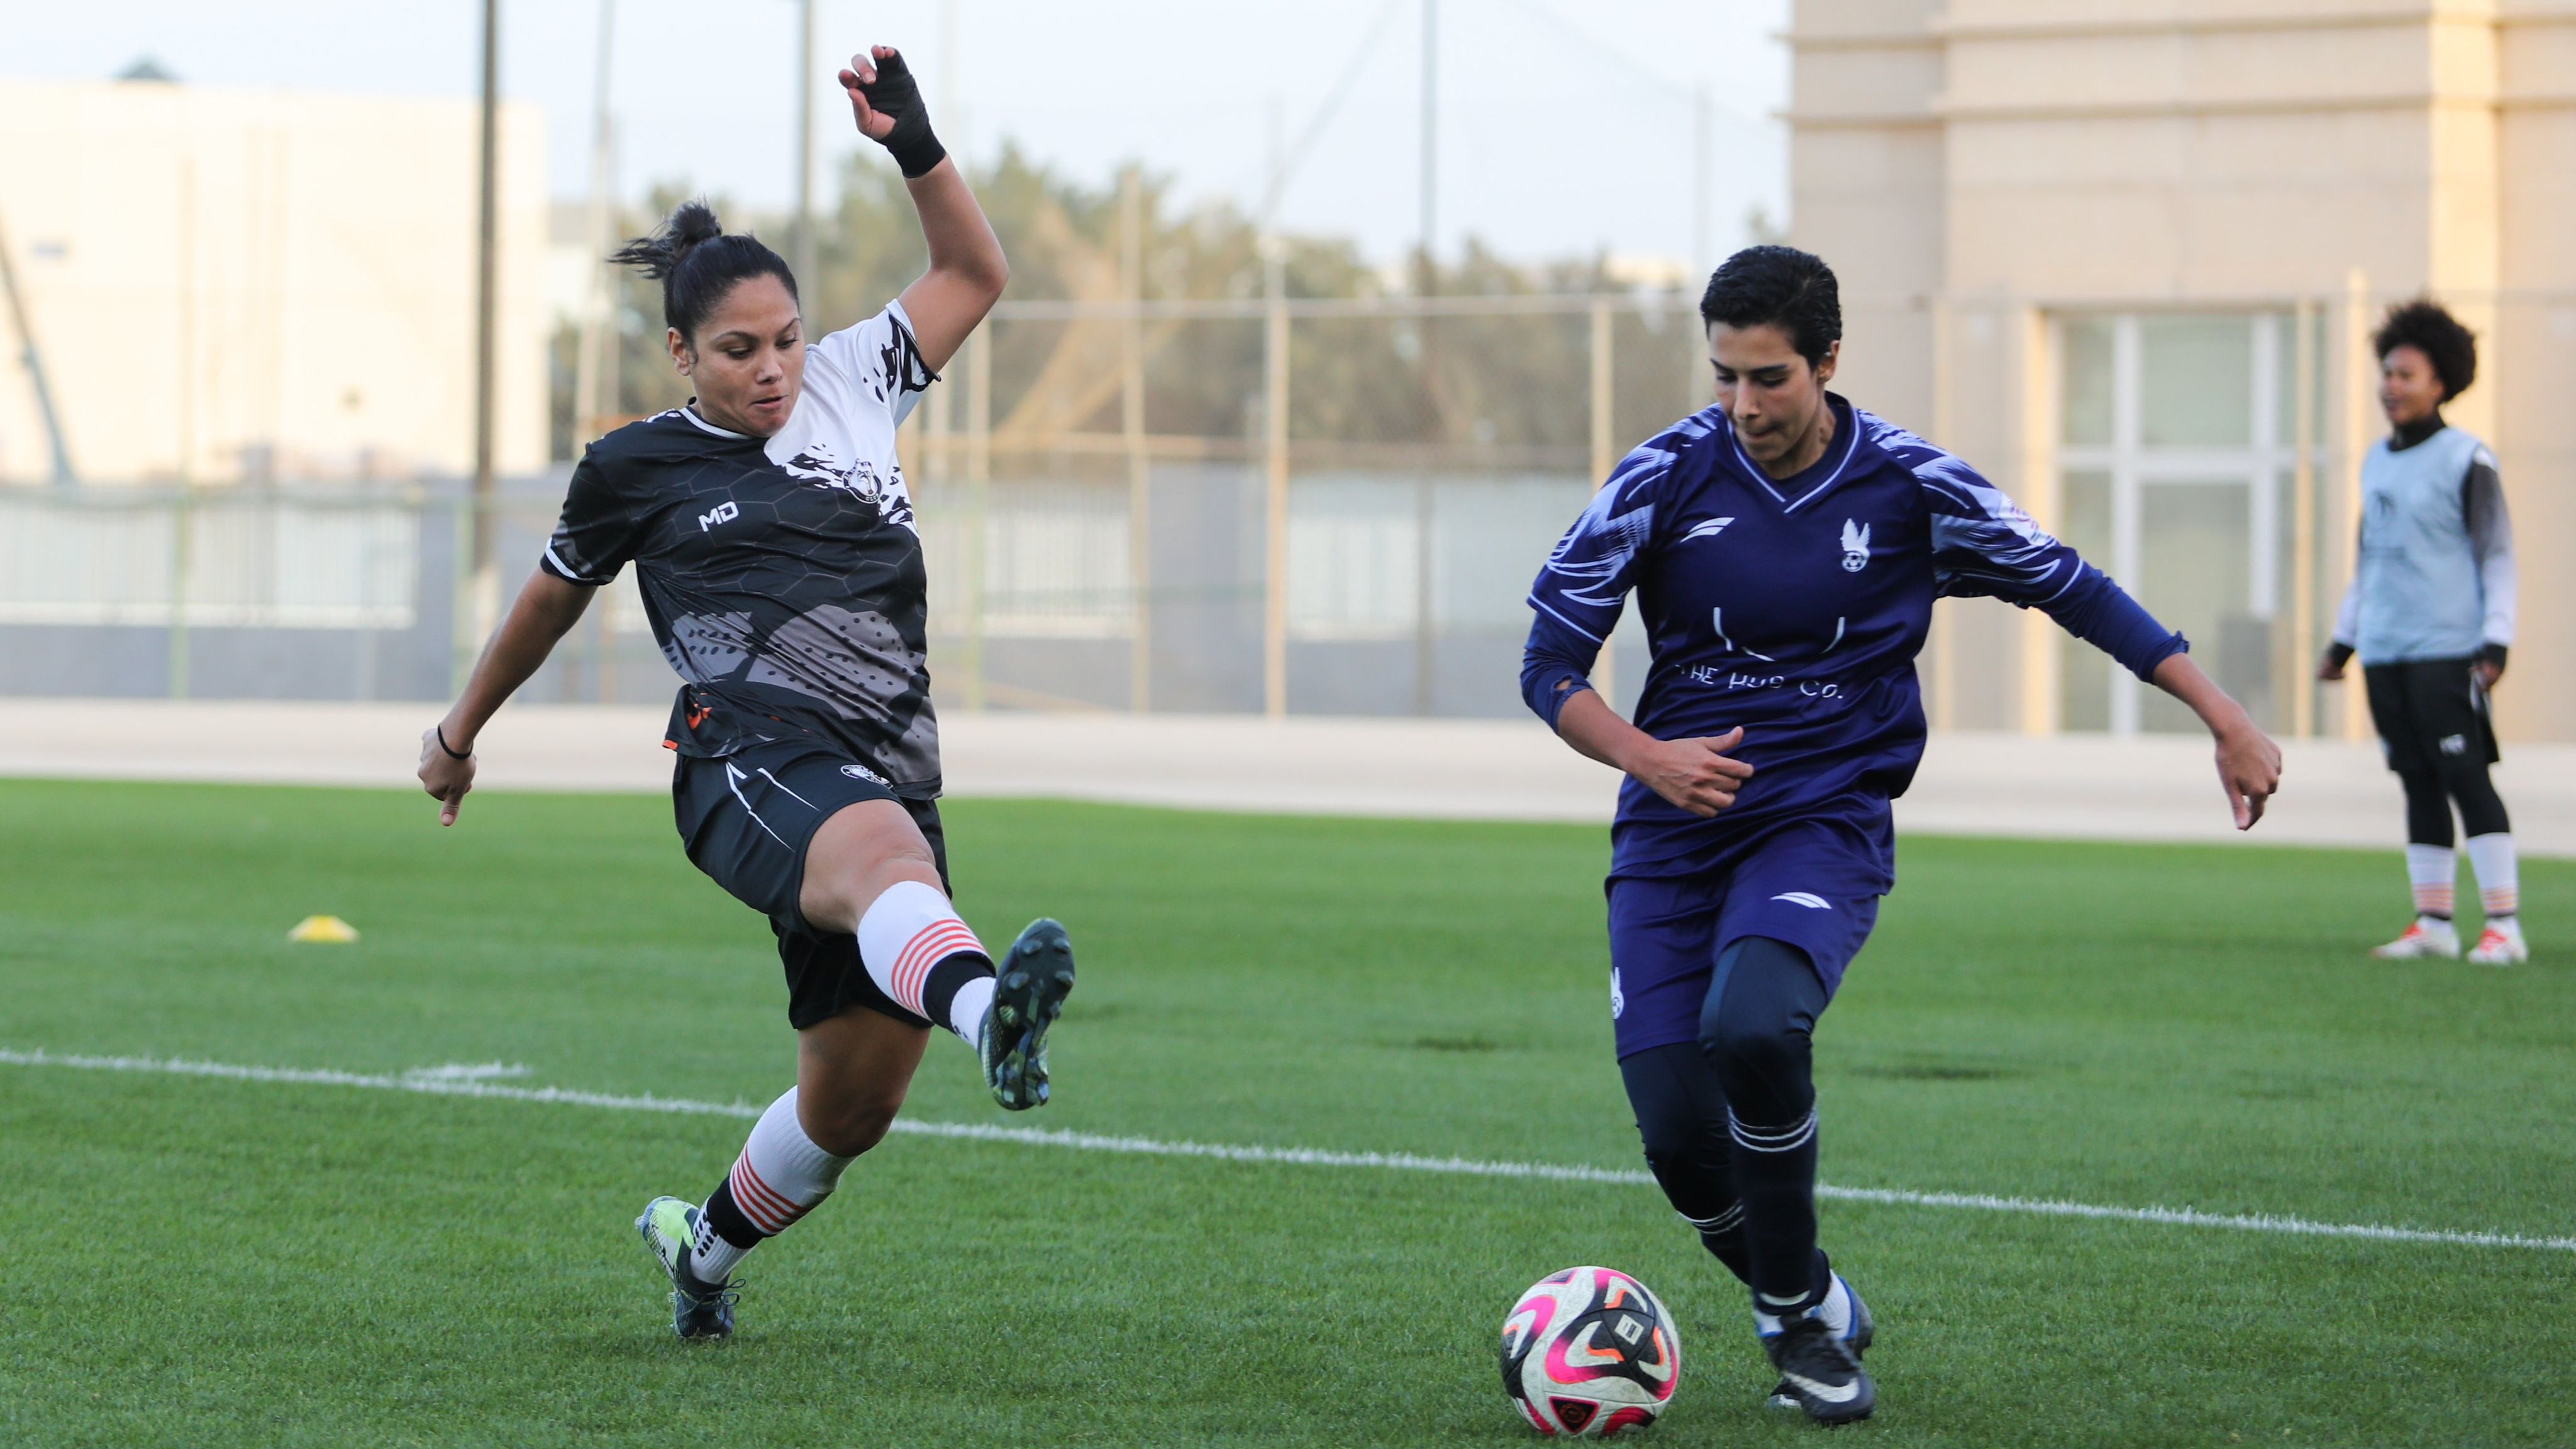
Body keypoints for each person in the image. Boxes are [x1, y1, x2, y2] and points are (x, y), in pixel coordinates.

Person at [1521, 246, 2281, 1424]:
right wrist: (1645, 753)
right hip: (1674, 831)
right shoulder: (1662, 474)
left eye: (1768, 377)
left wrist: (2222, 714)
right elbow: (1547, 664)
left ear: (1828, 360)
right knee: (1677, 1134)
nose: (1742, 404)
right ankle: (1814, 1292)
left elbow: (2071, 586)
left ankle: (1790, 1329)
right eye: (1724, 374)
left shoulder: (1915, 486)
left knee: (1755, 1022)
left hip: (1820, 819)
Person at [416, 47, 1072, 1342]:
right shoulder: (632, 469)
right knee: (890, 869)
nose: (770, 369)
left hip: (887, 759)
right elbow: (550, 597)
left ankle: (700, 1254)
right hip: (743, 755)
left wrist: (915, 146)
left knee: (851, 1110)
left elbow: (973, 276)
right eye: (735, 351)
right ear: (678, 353)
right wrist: (458, 734)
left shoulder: (855, 379)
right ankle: (998, 1012)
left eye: (781, 340)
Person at [2317, 300, 2523, 965]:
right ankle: (2433, 922)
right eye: (2386, 373)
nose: (2391, 386)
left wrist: (2495, 640)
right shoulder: (2375, 460)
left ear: (2441, 382)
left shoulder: (2467, 458)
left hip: (2448, 649)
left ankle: (2504, 927)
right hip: (2386, 651)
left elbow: (2497, 554)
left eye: (2405, 374)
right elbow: (2368, 557)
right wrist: (2344, 640)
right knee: (2416, 781)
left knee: (2465, 777)